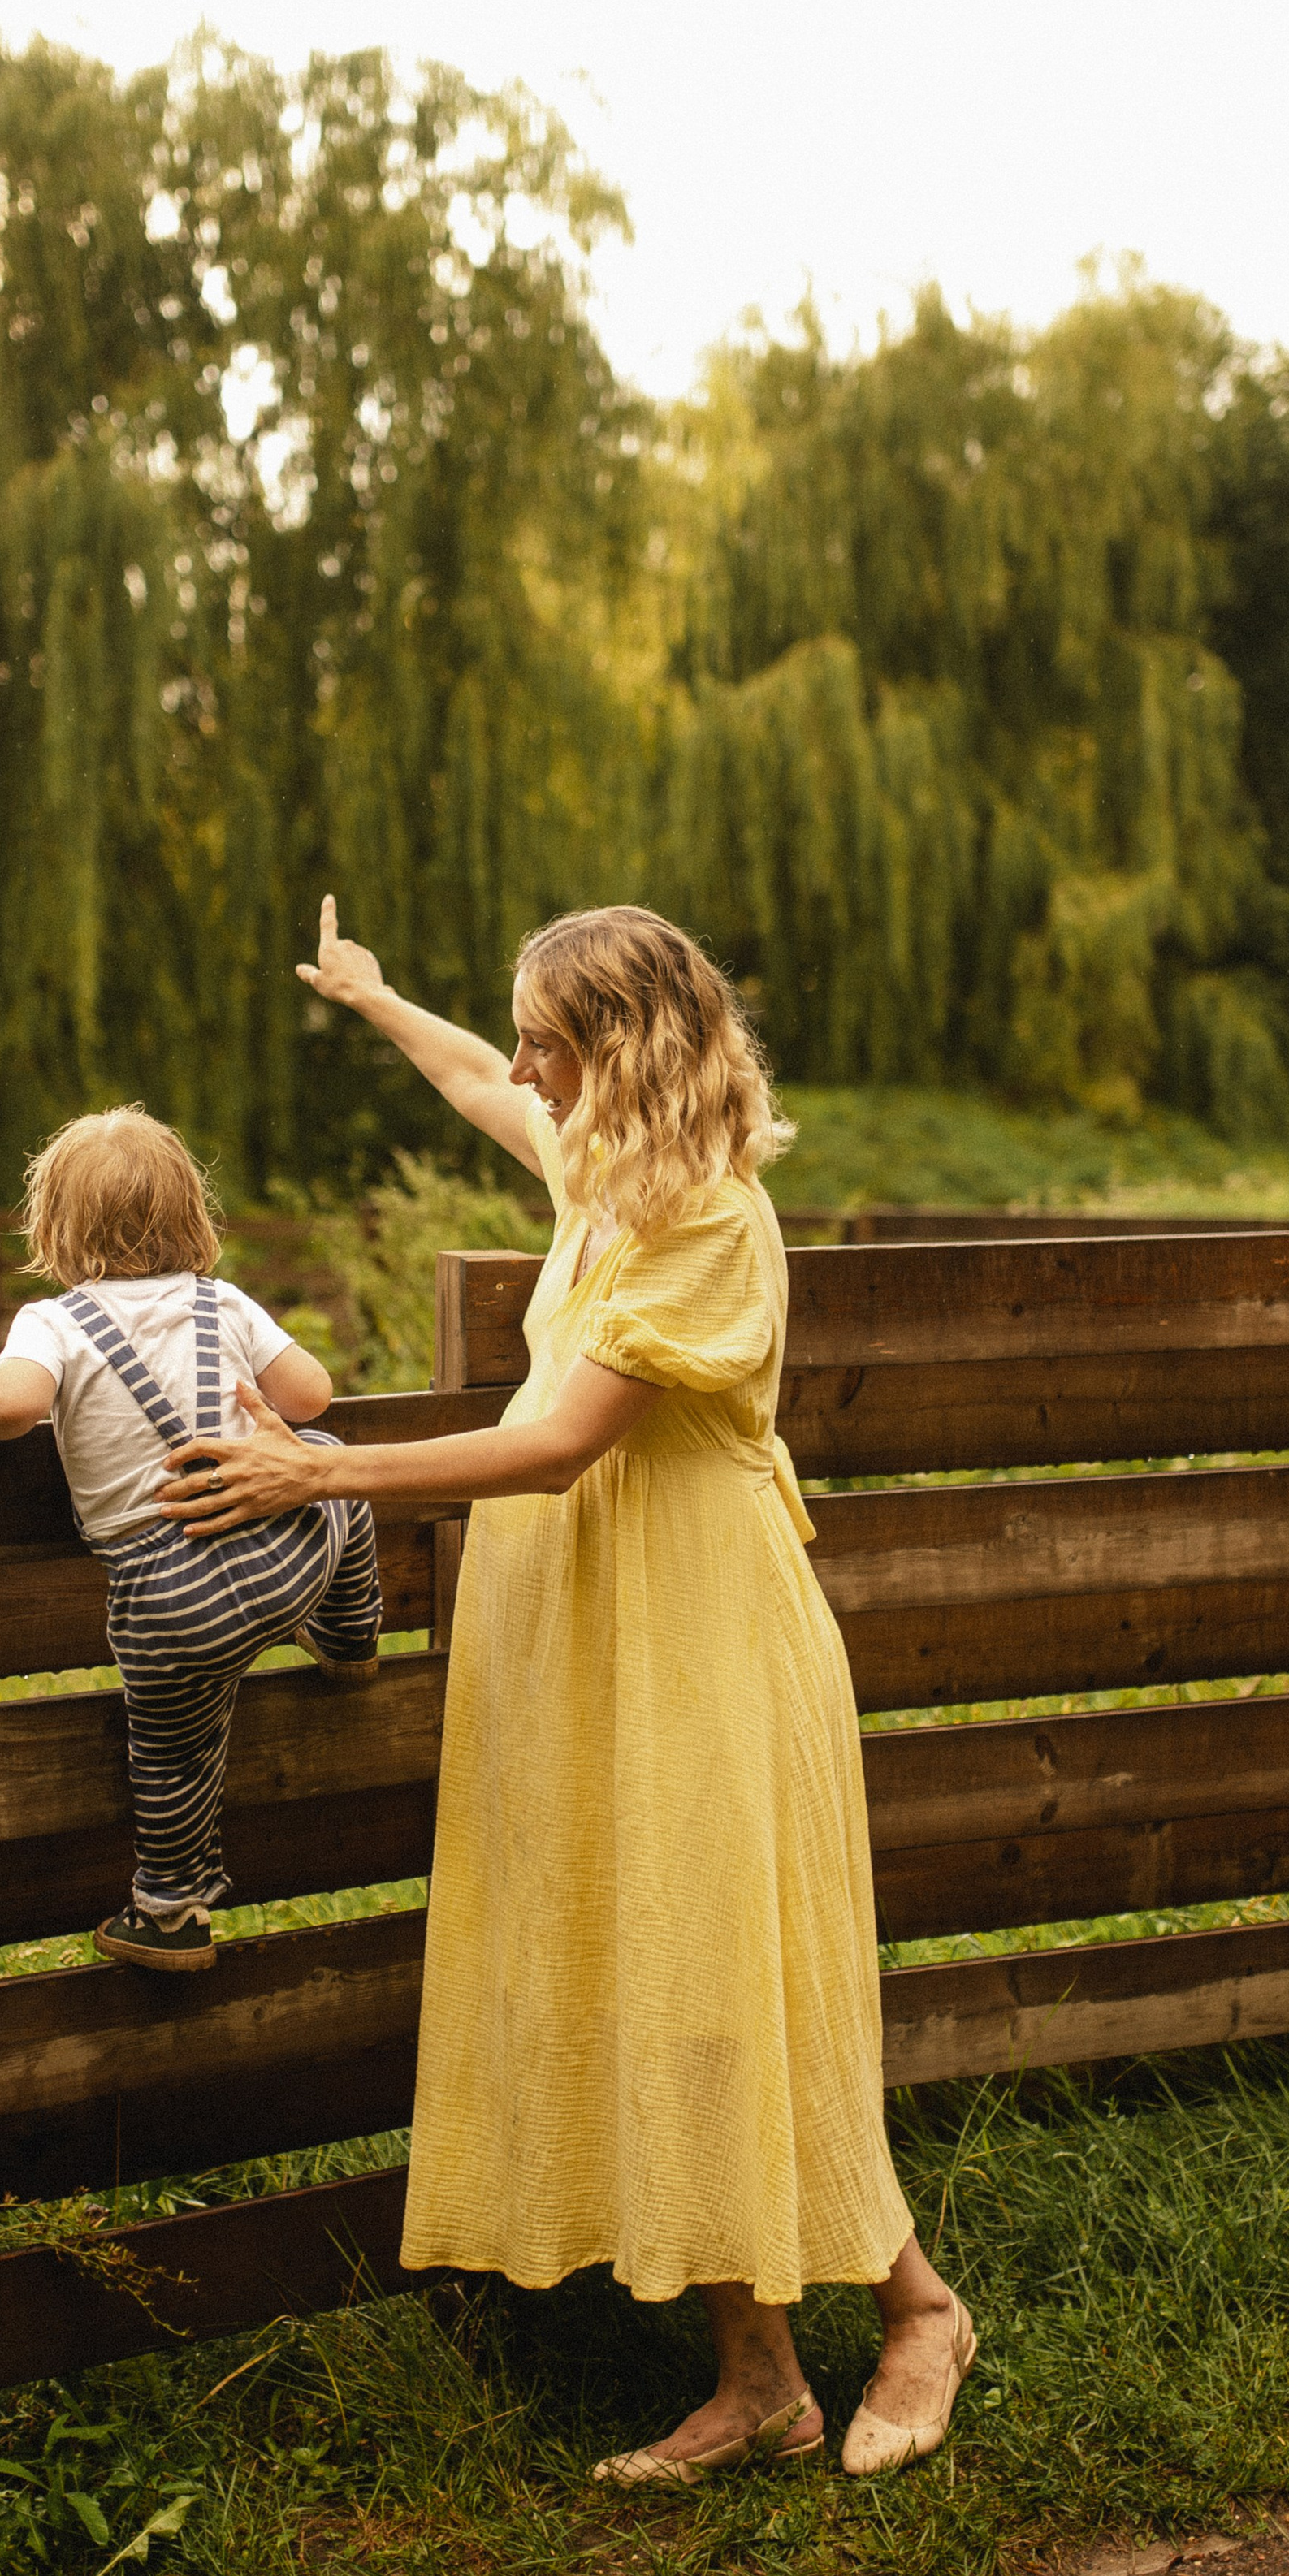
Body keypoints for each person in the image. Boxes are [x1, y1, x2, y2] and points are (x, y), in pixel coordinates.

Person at [153, 900, 976, 2479]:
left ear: (631, 1051)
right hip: (588, 1645)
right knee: (652, 1979)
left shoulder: (711, 1221)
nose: (526, 1063)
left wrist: (310, 1473)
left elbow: (554, 1444)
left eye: (552, 1038)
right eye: (524, 1031)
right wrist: (381, 999)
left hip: (698, 1640)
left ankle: (919, 2312)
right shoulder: (602, 1172)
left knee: (728, 1984)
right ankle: (760, 2385)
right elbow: (478, 1084)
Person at [0, 1104, 383, 1973]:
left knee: (173, 1751)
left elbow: (9, 1407)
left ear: (55, 1226)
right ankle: (348, 1633)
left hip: (172, 1601)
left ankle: (172, 1910)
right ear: (193, 1215)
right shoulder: (220, 1300)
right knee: (333, 1464)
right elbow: (312, 1397)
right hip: (284, 1549)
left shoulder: (54, 1322)